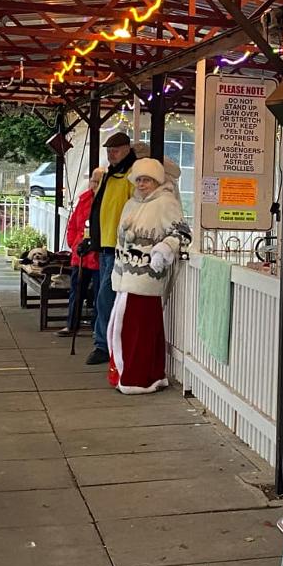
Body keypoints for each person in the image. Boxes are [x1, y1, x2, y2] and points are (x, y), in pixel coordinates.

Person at [106, 157, 189, 394]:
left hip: (146, 277)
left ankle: (137, 377)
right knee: (127, 328)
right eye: (139, 179)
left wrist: (164, 249)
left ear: (157, 181)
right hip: (125, 275)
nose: (142, 184)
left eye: (147, 180)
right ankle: (144, 375)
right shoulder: (132, 203)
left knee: (136, 330)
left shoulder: (166, 202)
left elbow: (182, 233)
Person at [85, 133, 136, 365]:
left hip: (119, 245)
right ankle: (105, 341)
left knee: (106, 296)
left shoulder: (130, 175)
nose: (111, 154)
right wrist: (90, 238)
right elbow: (98, 208)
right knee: (103, 295)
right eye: (108, 151)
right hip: (105, 243)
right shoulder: (110, 175)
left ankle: (103, 345)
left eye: (115, 150)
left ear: (126, 149)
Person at [57, 167, 104, 338]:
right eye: (93, 181)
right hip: (81, 254)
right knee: (76, 292)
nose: (94, 185)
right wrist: (73, 243)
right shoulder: (84, 199)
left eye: (98, 182)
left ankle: (97, 328)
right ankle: (72, 325)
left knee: (99, 294)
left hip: (98, 255)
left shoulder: (106, 200)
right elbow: (73, 224)